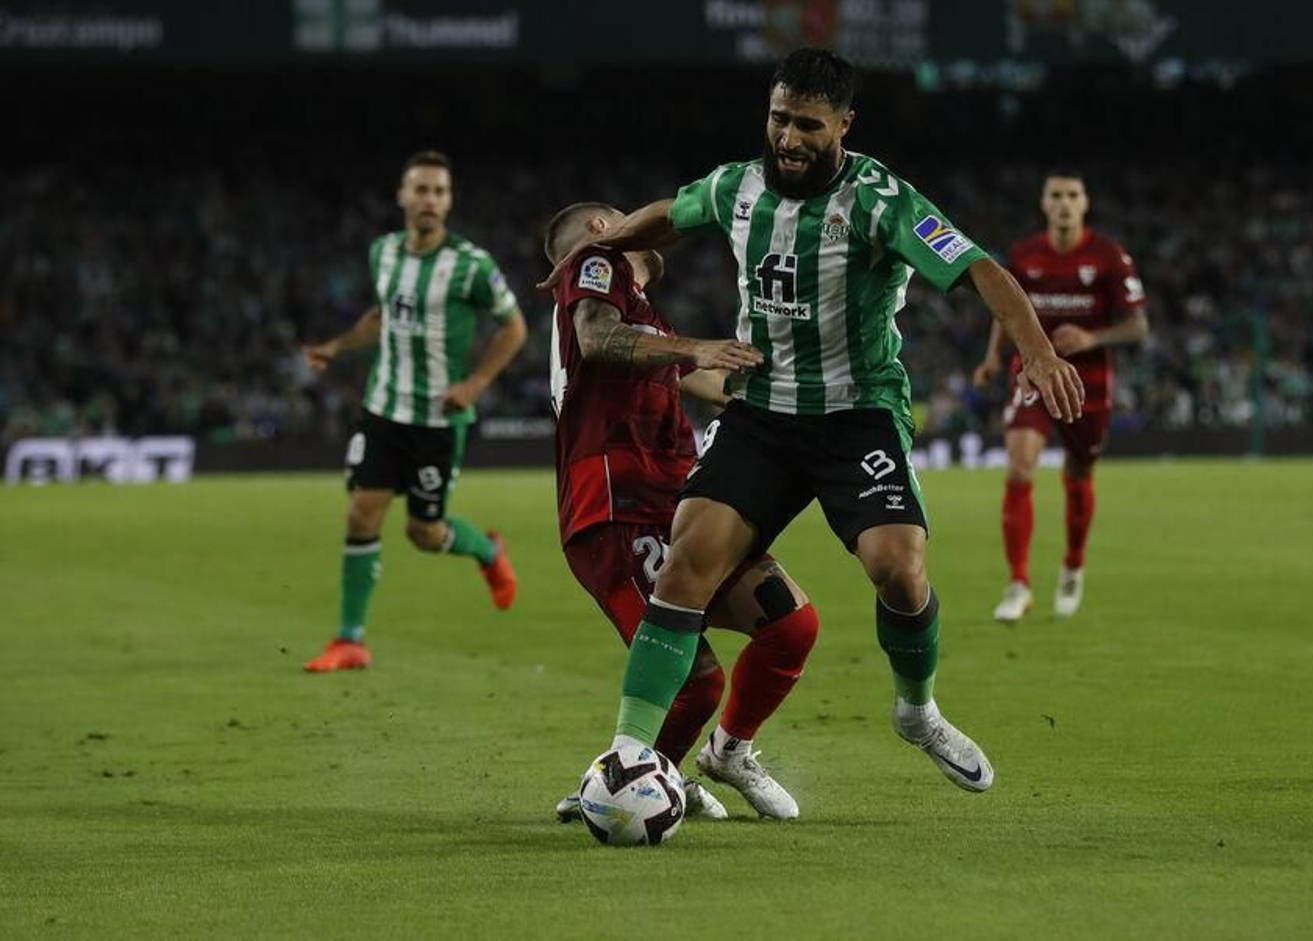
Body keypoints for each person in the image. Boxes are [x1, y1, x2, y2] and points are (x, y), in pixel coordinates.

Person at [544, 48, 1084, 794]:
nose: (788, 138)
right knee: (685, 564)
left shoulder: (880, 200)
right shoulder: (737, 186)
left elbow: (979, 269)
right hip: (762, 413)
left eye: (806, 124)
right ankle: (631, 754)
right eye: (778, 119)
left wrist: (1038, 351)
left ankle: (917, 710)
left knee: (898, 566)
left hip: (855, 415)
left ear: (843, 125)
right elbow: (669, 217)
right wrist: (600, 247)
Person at [544, 202, 821, 820]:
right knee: (695, 682)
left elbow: (701, 381)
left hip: (676, 500)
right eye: (627, 216)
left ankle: (726, 753)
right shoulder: (598, 262)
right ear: (601, 228)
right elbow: (598, 340)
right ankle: (631, 781)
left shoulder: (643, 319)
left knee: (790, 627)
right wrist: (698, 347)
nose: (650, 227)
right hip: (618, 506)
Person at [301, 151, 526, 671]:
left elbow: (514, 328)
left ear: (449, 201)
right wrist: (337, 346)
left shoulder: (472, 265)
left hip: (437, 422)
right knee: (361, 511)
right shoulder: (382, 252)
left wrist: (475, 383)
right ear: (402, 196)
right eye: (421, 190)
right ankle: (350, 639)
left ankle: (488, 552)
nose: (430, 200)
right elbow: (382, 315)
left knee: (424, 534)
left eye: (439, 192)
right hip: (382, 409)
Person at [972, 171, 1147, 621]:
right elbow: (1004, 307)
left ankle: (1072, 565)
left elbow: (1137, 325)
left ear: (1085, 203)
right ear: (1044, 204)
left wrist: (1091, 338)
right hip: (1031, 371)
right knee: (1020, 465)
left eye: (1073, 195)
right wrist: (993, 357)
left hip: (1089, 380)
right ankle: (1018, 584)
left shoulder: (1108, 256)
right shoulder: (1024, 255)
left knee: (1079, 472)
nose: (1065, 203)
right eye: (1056, 196)